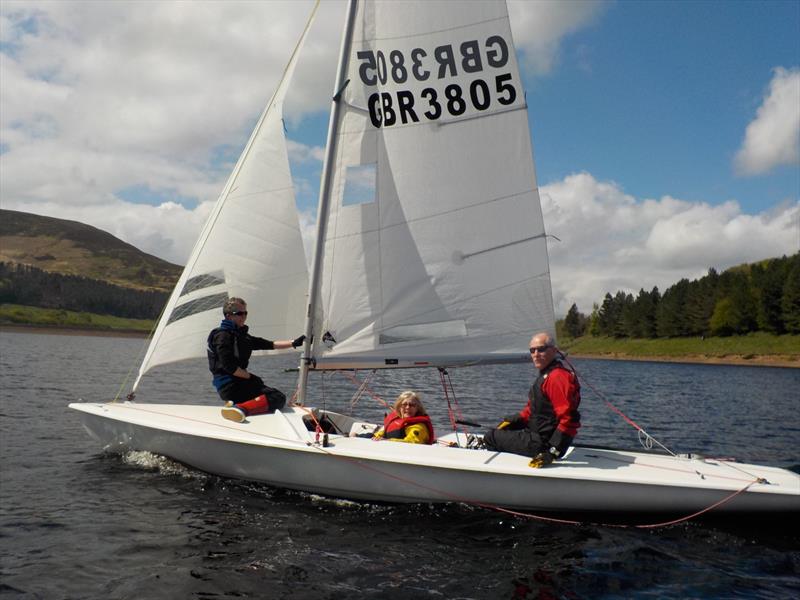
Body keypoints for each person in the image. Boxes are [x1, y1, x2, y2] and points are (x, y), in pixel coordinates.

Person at [483, 332, 580, 467]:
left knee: (490, 437)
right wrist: (514, 421)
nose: (535, 354)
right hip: (536, 436)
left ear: (553, 350)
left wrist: (552, 452)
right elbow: (533, 410)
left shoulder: (556, 378)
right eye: (532, 350)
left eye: (541, 349)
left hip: (541, 444)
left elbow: (570, 418)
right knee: (500, 432)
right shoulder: (548, 374)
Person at [207, 297, 305, 423]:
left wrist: (294, 343)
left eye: (245, 313)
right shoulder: (222, 336)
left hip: (238, 383)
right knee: (277, 397)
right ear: (228, 316)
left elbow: (269, 344)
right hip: (229, 386)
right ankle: (241, 409)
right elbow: (229, 366)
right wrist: (250, 377)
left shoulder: (242, 336)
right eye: (240, 314)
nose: (244, 317)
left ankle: (234, 404)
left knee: (270, 392)